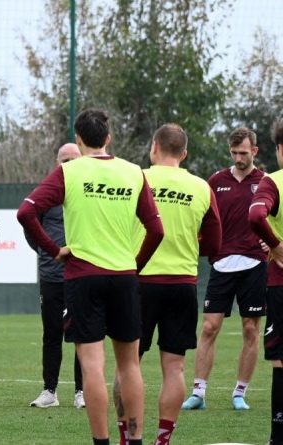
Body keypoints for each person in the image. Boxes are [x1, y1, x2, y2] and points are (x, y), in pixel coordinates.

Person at [18, 108, 164, 445]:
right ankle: (136, 439)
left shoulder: (69, 171)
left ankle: (101, 441)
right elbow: (156, 230)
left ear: (78, 139)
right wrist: (135, 265)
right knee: (129, 366)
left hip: (83, 277)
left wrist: (55, 250)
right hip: (124, 276)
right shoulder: (133, 172)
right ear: (109, 138)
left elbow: (27, 212)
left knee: (93, 366)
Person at [125, 124, 221, 445]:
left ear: (154, 147)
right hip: (182, 284)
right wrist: (191, 245)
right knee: (175, 368)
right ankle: (162, 439)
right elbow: (215, 244)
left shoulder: (135, 177)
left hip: (139, 281)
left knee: (129, 364)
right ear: (184, 153)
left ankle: (128, 436)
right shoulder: (201, 187)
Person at [183, 127, 267, 411]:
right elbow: (201, 219)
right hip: (221, 265)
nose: (238, 157)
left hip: (255, 264)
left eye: (243, 152)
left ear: (255, 151)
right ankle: (198, 392)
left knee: (250, 330)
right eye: (234, 152)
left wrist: (273, 243)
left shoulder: (266, 182)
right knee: (209, 327)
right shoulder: (216, 181)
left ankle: (239, 393)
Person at [27, 143, 85, 409]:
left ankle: (81, 392)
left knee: (82, 335)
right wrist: (48, 251)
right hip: (51, 275)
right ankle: (49, 391)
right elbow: (31, 227)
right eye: (64, 160)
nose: (69, 164)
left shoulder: (89, 193)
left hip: (82, 274)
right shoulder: (46, 193)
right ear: (56, 162)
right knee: (51, 334)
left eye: (74, 159)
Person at [248, 118, 283, 445]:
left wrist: (274, 244)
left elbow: (256, 216)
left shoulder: (273, 182)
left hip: (281, 284)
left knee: (281, 360)